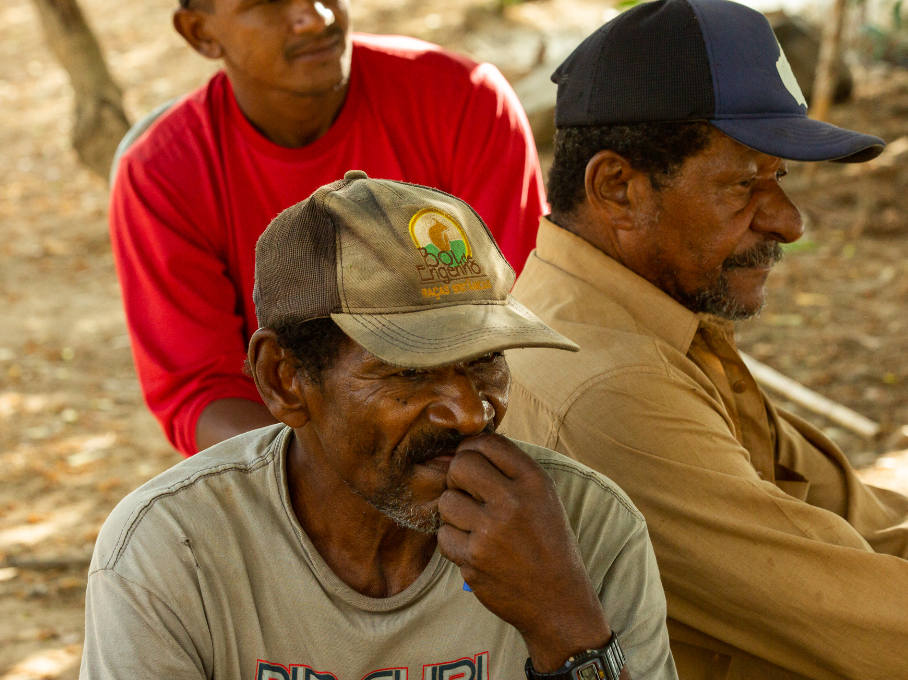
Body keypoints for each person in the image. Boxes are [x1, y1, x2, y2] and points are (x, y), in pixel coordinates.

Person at [498, 0, 908, 680]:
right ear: (618, 188)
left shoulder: (634, 324)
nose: (787, 221)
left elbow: (884, 531)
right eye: (744, 184)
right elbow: (863, 615)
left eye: (778, 177)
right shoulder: (613, 387)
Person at [82, 172, 676, 680]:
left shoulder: (585, 526)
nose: (471, 412)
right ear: (284, 379)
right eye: (412, 371)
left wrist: (565, 627)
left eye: (485, 360)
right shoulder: (175, 549)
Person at [109, 0, 547, 456]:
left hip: (478, 440)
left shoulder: (462, 101)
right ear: (200, 33)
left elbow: (515, 323)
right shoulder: (164, 174)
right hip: (291, 473)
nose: (314, 18)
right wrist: (334, 483)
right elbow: (201, 392)